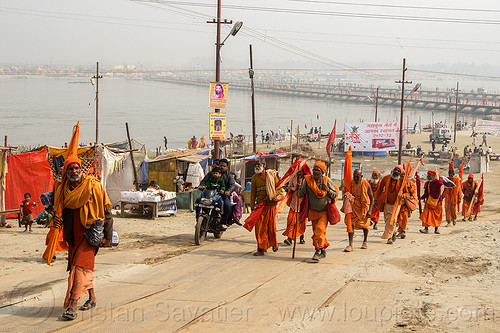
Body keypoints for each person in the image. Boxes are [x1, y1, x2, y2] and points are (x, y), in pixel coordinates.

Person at [52, 122, 113, 321]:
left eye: (77, 167)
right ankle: (92, 297)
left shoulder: (93, 186)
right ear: (66, 171)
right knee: (79, 267)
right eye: (71, 168)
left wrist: (108, 236)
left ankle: (72, 305)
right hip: (73, 236)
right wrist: (56, 222)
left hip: (91, 235)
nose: (75, 170)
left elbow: (107, 211)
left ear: (82, 169)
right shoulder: (62, 191)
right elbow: (60, 212)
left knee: (79, 268)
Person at [299, 161, 338, 261]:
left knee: (319, 231)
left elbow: (335, 194)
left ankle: (317, 251)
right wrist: (297, 189)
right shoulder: (307, 181)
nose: (315, 172)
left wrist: (328, 190)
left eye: (318, 171)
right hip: (312, 211)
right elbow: (301, 194)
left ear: (322, 172)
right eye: (314, 170)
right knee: (318, 233)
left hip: (324, 212)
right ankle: (323, 249)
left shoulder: (326, 181)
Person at [250, 159, 283, 256]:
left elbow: (279, 188)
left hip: (271, 205)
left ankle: (273, 244)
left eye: (258, 164)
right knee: (259, 228)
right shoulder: (254, 178)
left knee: (271, 227)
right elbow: (253, 193)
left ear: (263, 165)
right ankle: (261, 248)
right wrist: (252, 206)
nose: (257, 166)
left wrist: (272, 197)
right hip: (260, 206)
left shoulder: (272, 175)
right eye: (255, 164)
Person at [342, 169, 373, 252]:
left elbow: (371, 198)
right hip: (353, 206)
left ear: (361, 176)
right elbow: (345, 191)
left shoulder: (365, 183)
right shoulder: (351, 183)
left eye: (357, 177)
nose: (356, 178)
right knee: (350, 224)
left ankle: (365, 241)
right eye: (354, 176)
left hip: (364, 207)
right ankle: (350, 244)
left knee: (365, 226)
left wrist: (370, 210)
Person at [374, 165, 406, 244]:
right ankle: (394, 232)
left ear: (400, 173)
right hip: (386, 203)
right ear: (393, 170)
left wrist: (403, 195)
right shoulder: (386, 178)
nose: (397, 171)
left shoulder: (402, 181)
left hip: (396, 204)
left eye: (399, 171)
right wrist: (375, 199)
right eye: (396, 169)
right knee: (387, 220)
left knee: (393, 220)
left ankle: (390, 238)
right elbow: (380, 189)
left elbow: (406, 192)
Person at [199, 158, 235, 228]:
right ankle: (198, 217)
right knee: (198, 201)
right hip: (210, 194)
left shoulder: (229, 175)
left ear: (227, 167)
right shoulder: (211, 173)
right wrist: (201, 186)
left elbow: (232, 185)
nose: (222, 167)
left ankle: (223, 222)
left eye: (224, 166)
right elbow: (204, 180)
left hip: (222, 195)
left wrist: (228, 191)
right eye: (221, 165)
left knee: (227, 205)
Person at [282, 167, 307, 246]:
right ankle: (289, 238)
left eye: (300, 171)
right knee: (290, 220)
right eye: (298, 171)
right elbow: (289, 187)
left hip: (302, 204)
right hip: (294, 203)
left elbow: (308, 190)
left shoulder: (306, 180)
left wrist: (301, 189)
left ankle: (301, 237)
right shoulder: (293, 177)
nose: (299, 173)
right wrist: (295, 188)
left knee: (301, 222)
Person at [419, 170, 444, 234]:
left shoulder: (437, 182)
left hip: (437, 202)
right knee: (425, 215)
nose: (429, 177)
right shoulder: (427, 183)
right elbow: (426, 192)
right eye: (428, 176)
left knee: (437, 216)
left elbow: (440, 183)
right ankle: (426, 228)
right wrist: (422, 197)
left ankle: (436, 229)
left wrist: (439, 178)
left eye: (430, 176)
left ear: (434, 176)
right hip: (429, 201)